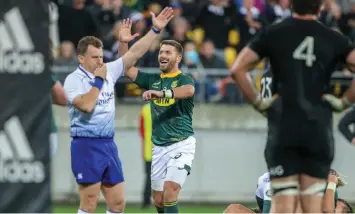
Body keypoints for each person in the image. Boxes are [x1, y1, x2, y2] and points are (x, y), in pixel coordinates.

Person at [230, 0, 355, 212]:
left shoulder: (274, 33)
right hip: (317, 130)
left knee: (284, 207)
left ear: (291, 6)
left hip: (283, 128)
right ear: (320, 7)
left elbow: (237, 69)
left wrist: (258, 102)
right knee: (312, 207)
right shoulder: (333, 37)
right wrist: (344, 101)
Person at [63, 8, 175, 214]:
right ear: (80, 59)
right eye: (94, 57)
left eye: (100, 56)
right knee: (89, 203)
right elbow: (86, 106)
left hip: (108, 144)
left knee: (117, 204)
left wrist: (155, 30)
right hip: (86, 144)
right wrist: (98, 80)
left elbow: (134, 54)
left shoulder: (107, 70)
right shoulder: (74, 80)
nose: (100, 61)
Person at [125, 39, 195, 213]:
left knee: (170, 192)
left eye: (168, 52)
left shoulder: (184, 79)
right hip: (158, 148)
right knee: (159, 200)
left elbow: (189, 91)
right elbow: (126, 68)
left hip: (181, 143)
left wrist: (163, 93)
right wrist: (122, 43)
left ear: (178, 58)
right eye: (161, 52)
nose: (162, 55)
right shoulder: (152, 79)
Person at [139, 103, 153, 208]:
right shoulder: (166, 107)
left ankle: (146, 201)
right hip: (163, 148)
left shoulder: (145, 109)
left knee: (148, 176)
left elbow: (141, 130)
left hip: (148, 149)